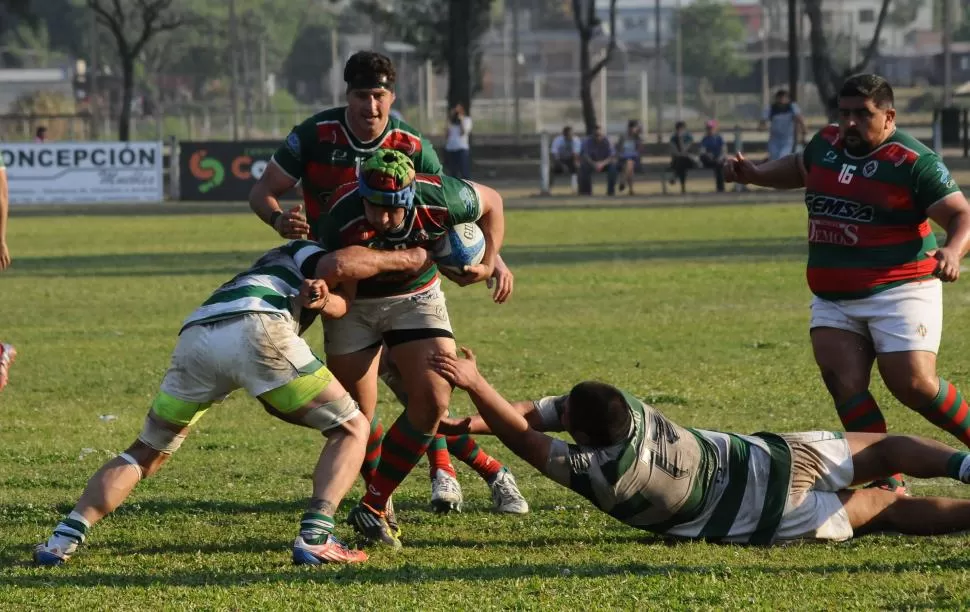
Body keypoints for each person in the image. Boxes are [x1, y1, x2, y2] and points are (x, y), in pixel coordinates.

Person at [32, 239, 436, 567]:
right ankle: (315, 537)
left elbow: (333, 300)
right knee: (352, 427)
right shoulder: (308, 249)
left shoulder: (267, 268)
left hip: (198, 335)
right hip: (257, 327)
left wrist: (321, 299)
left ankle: (62, 538)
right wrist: (409, 258)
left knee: (146, 450)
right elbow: (334, 266)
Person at [248, 50, 522, 515]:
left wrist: (491, 260)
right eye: (361, 96)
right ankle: (425, 482)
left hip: (409, 286)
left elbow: (452, 209)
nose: (370, 107)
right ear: (347, 96)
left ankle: (465, 474)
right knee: (361, 409)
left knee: (428, 391)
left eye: (379, 96)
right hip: (341, 280)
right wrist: (279, 221)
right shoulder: (315, 135)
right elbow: (263, 191)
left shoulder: (412, 144)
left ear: (391, 96)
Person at [432, 347, 970, 545]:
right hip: (771, 456)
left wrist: (476, 384)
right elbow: (534, 417)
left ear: (587, 438)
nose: (556, 415)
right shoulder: (632, 408)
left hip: (772, 515)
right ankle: (964, 464)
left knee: (892, 509)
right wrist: (472, 421)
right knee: (891, 447)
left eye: (566, 417)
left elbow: (527, 438)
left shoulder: (607, 472)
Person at [724, 73, 970, 494]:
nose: (850, 123)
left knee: (912, 384)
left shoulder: (913, 162)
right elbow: (802, 167)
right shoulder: (826, 144)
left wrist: (952, 251)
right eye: (844, 113)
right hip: (834, 295)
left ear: (888, 116)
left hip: (901, 288)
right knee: (843, 382)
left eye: (863, 114)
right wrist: (755, 173)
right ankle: (888, 482)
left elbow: (961, 215)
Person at [317, 150, 512, 547]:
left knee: (434, 396)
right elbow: (343, 295)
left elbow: (493, 201)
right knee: (356, 417)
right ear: (362, 193)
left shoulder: (441, 196)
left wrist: (490, 263)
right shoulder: (340, 214)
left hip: (416, 298)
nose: (385, 218)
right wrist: (325, 302)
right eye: (376, 208)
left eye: (394, 209)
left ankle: (372, 506)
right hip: (357, 307)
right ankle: (381, 506)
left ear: (410, 195)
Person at [760, 89, 806, 161]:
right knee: (774, 159)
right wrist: (762, 126)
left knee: (783, 157)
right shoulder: (770, 108)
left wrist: (804, 130)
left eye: (784, 98)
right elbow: (763, 122)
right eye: (780, 98)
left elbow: (799, 118)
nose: (782, 100)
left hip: (787, 140)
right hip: (774, 140)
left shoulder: (792, 107)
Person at [578, 125, 617, 196]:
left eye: (599, 135)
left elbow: (612, 156)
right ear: (593, 134)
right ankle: (586, 192)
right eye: (596, 135)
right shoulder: (587, 141)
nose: (598, 137)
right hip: (592, 162)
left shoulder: (608, 141)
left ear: (603, 134)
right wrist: (594, 164)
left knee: (613, 167)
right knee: (583, 167)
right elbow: (585, 155)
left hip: (605, 163)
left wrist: (602, 163)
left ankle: (611, 191)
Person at [549, 125, 582, 193]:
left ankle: (575, 189)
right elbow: (554, 153)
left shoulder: (576, 140)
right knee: (551, 169)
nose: (569, 136)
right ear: (564, 134)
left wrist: (576, 163)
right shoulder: (558, 140)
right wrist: (560, 164)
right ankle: (548, 189)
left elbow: (576, 154)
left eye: (571, 134)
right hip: (560, 159)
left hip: (571, 159)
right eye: (567, 134)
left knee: (577, 168)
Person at [616, 120, 644, 195]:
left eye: (634, 128)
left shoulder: (637, 138)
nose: (632, 130)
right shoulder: (623, 137)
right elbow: (618, 149)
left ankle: (623, 181)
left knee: (629, 163)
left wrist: (638, 137)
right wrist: (621, 154)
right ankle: (631, 190)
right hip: (623, 158)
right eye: (631, 128)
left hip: (635, 159)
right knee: (629, 165)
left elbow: (640, 151)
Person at [445, 104, 473, 179]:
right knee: (453, 172)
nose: (456, 114)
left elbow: (463, 132)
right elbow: (447, 135)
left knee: (464, 171)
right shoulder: (451, 122)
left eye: (458, 111)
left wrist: (461, 121)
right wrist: (449, 120)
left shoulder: (467, 120)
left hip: (462, 149)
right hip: (451, 148)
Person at [699, 120, 726, 192]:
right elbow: (702, 151)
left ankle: (720, 189)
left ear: (715, 128)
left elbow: (724, 150)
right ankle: (720, 189)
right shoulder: (705, 139)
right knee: (708, 159)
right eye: (708, 128)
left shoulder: (719, 138)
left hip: (718, 160)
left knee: (719, 165)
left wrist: (719, 158)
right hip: (709, 160)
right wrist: (708, 155)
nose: (709, 130)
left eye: (711, 128)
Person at [668, 121, 695, 194]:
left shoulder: (689, 137)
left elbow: (684, 149)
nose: (679, 131)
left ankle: (675, 177)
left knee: (681, 162)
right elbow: (674, 151)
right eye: (678, 129)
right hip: (678, 160)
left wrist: (680, 139)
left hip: (689, 161)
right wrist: (680, 154)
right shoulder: (673, 138)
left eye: (681, 129)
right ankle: (683, 188)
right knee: (681, 163)